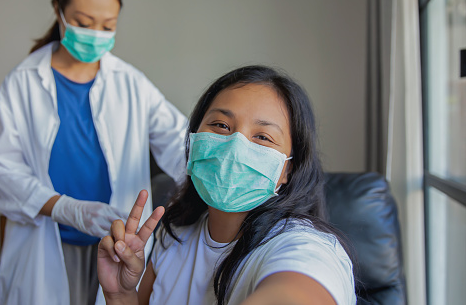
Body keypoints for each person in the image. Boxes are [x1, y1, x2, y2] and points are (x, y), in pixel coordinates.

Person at [0, 0, 187, 304]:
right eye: (84, 22)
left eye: (107, 27)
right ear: (58, 10)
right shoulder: (22, 83)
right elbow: (2, 170)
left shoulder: (131, 83)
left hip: (116, 241)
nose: (95, 35)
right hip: (47, 243)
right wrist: (66, 209)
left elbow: (180, 144)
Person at [97, 65, 356, 305]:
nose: (234, 147)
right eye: (221, 125)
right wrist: (121, 295)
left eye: (263, 137)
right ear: (193, 138)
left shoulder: (306, 247)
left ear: (287, 169)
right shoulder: (173, 234)